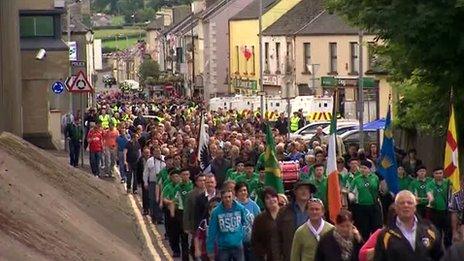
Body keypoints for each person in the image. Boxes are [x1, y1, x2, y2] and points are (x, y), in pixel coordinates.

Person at [374, 190, 443, 261]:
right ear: (396, 208)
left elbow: (440, 256)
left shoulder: (430, 230)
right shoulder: (385, 235)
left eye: (409, 203)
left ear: (415, 207)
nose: (406, 205)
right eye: (401, 203)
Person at [271, 181, 317, 261]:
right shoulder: (284, 211)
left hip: (311, 255)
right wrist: (277, 257)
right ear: (295, 192)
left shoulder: (316, 211)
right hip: (289, 255)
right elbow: (276, 237)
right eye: (301, 189)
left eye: (307, 189)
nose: (304, 191)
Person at [206, 189, 251, 261]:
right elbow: (212, 231)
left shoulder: (240, 208)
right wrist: (210, 250)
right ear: (222, 199)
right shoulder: (216, 212)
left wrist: (241, 235)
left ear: (233, 197)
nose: (227, 199)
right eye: (225, 197)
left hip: (238, 245)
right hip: (223, 246)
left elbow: (243, 222)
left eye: (229, 197)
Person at [349, 160, 381, 240]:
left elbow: (380, 190)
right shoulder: (356, 179)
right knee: (364, 230)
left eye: (365, 168)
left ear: (369, 169)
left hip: (374, 206)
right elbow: (351, 191)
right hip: (361, 207)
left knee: (376, 228)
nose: (363, 170)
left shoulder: (375, 178)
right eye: (361, 168)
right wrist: (351, 196)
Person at [251, 187, 281, 261]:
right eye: (267, 198)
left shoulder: (286, 214)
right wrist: (263, 254)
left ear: (277, 198)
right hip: (269, 257)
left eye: (273, 196)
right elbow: (255, 240)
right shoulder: (260, 219)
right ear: (264, 201)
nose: (271, 200)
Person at [426, 167, 452, 248]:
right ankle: (438, 250)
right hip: (435, 212)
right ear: (433, 174)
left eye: (440, 173)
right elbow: (429, 194)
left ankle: (448, 250)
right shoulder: (430, 184)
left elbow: (453, 193)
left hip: (446, 211)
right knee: (437, 232)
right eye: (436, 173)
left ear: (443, 173)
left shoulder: (448, 182)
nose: (439, 175)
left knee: (448, 233)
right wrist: (431, 198)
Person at [235, 182, 261, 261]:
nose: (243, 192)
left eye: (244, 190)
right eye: (240, 191)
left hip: (251, 242)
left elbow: (259, 221)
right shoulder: (233, 206)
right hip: (237, 243)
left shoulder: (254, 205)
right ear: (236, 193)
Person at [184, 174, 206, 258]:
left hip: (206, 223)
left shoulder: (209, 193)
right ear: (196, 182)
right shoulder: (191, 195)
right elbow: (187, 211)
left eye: (204, 180)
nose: (203, 183)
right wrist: (186, 226)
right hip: (195, 223)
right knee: (195, 243)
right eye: (200, 180)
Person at [143, 146, 165, 222]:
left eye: (159, 151)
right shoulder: (150, 161)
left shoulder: (164, 159)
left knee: (160, 199)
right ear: (153, 153)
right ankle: (153, 215)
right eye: (156, 152)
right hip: (153, 182)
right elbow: (146, 172)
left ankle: (159, 217)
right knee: (153, 199)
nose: (158, 153)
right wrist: (145, 182)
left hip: (162, 183)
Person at [449, 177, 464, 243]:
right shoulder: (456, 196)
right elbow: (454, 214)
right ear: (461, 184)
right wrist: (454, 231)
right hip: (460, 226)